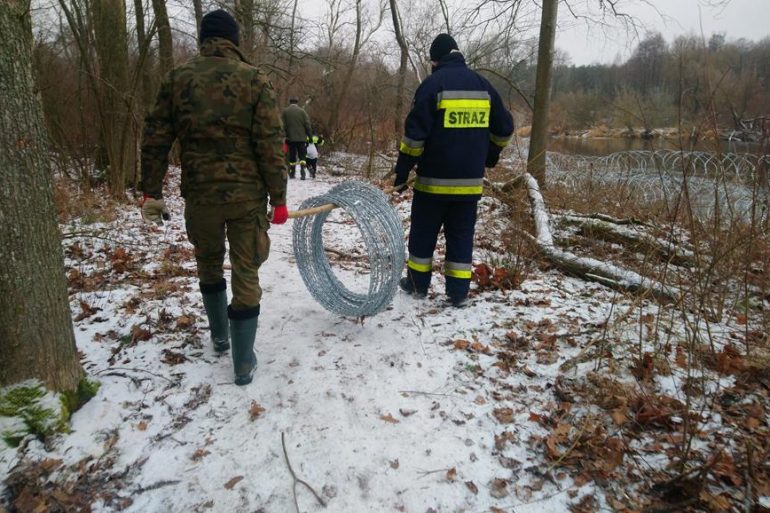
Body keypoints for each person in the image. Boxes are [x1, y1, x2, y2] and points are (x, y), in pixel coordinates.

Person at [140, 9, 288, 386]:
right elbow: (271, 144)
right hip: (246, 198)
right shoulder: (255, 79)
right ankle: (242, 362)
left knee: (208, 263)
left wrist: (151, 191)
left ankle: (221, 337)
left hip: (200, 196)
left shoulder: (178, 79)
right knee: (246, 270)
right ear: (233, 40)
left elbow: (155, 138)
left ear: (204, 39)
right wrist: (279, 197)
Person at [393, 33, 514, 308]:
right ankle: (458, 293)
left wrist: (402, 172)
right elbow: (505, 129)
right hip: (469, 187)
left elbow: (414, 138)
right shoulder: (483, 86)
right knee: (461, 238)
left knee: (423, 235)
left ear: (435, 61)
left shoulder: (432, 86)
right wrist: (491, 154)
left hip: (432, 185)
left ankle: (417, 285)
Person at [282, 97, 313, 179]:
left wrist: (284, 136)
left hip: (290, 138)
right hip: (301, 138)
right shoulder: (302, 111)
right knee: (302, 155)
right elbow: (307, 125)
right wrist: (310, 137)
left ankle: (292, 172)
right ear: (297, 102)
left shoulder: (285, 111)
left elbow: (282, 125)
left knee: (292, 155)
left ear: (290, 102)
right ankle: (302, 171)